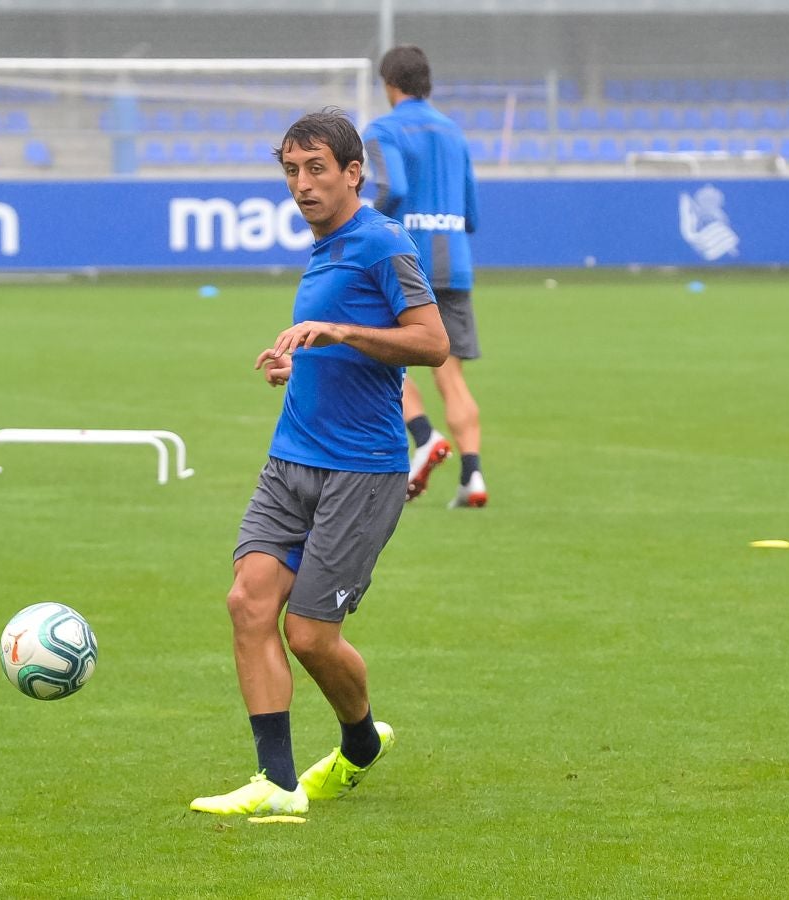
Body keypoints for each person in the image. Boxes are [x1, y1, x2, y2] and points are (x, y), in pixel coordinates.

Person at [190, 109, 449, 817]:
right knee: (247, 603)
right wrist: (295, 366)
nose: (300, 185)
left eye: (315, 170)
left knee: (308, 635)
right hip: (290, 458)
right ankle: (275, 784)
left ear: (352, 173)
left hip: (360, 472)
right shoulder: (323, 246)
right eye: (290, 170)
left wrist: (340, 329)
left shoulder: (382, 244)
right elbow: (343, 354)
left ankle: (360, 741)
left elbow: (429, 343)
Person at [363, 45, 488, 509]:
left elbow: (392, 187)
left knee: (378, 359)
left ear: (389, 84)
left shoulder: (384, 129)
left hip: (407, 263)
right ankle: (472, 476)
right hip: (455, 261)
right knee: (450, 375)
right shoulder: (455, 133)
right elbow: (471, 211)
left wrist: (365, 227)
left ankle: (424, 436)